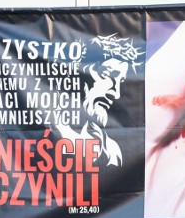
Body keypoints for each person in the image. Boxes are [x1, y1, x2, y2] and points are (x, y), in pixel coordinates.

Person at [56, 33, 143, 167]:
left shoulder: (112, 151)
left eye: (120, 82)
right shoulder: (51, 134)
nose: (116, 93)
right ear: (85, 72)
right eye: (110, 77)